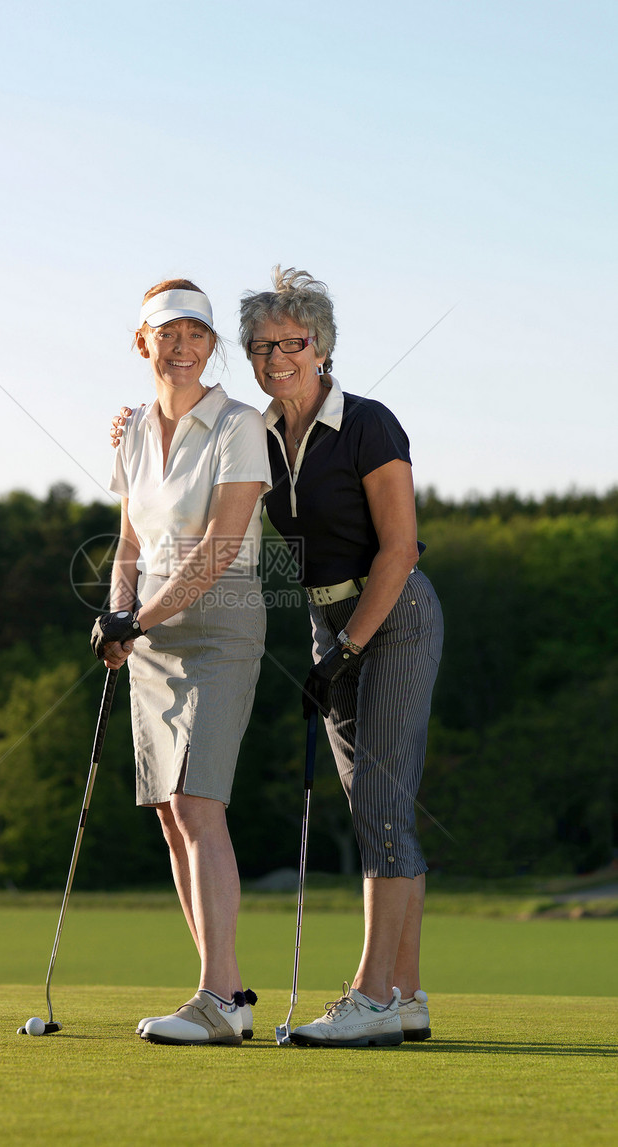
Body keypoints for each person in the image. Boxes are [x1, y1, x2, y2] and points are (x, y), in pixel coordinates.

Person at [238, 266, 443, 1047]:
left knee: (383, 809)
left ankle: (371, 995)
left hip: (393, 618)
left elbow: (399, 550)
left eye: (293, 341)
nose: (277, 356)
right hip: (329, 629)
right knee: (375, 811)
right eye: (262, 345)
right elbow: (199, 449)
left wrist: (346, 648)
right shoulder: (255, 435)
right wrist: (131, 425)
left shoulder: (369, 424)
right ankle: (410, 993)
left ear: (321, 346)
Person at [90, 278, 271, 1046]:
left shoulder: (238, 425)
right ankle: (221, 990)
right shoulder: (131, 432)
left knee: (200, 803)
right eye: (169, 333)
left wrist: (139, 615)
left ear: (210, 345)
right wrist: (116, 615)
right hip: (152, 638)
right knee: (170, 814)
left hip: (222, 626)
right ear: (145, 343)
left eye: (198, 332)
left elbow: (221, 548)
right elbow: (129, 544)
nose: (185, 344)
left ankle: (219, 997)